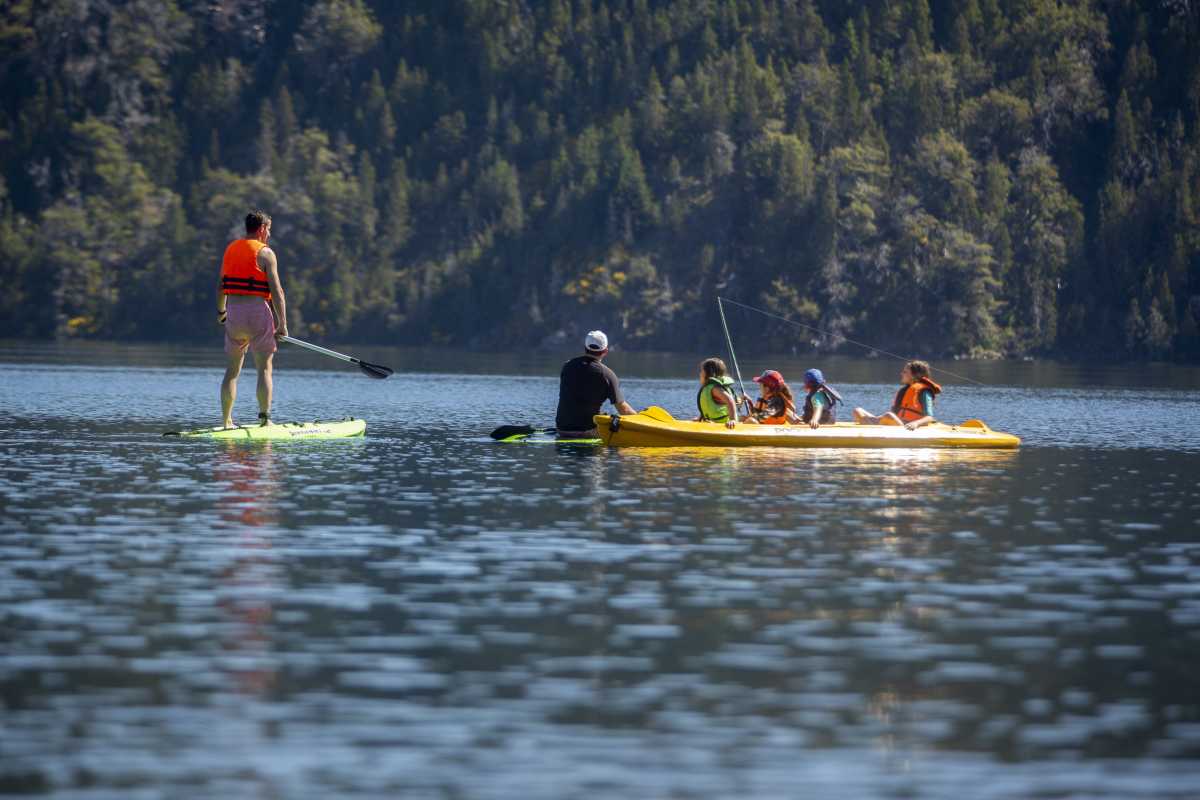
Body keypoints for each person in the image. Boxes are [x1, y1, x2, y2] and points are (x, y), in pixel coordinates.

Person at [218, 210, 288, 428]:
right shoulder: (266, 253)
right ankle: (265, 420)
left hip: (234, 313)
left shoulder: (230, 249)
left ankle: (227, 421)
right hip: (257, 313)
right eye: (269, 230)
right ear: (262, 228)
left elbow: (222, 285)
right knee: (264, 368)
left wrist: (221, 312)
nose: (269, 234)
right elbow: (277, 292)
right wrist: (282, 324)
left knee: (232, 370)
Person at [555, 330, 636, 438]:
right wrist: (642, 419)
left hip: (561, 429)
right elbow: (623, 410)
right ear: (605, 351)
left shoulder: (567, 366)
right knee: (615, 421)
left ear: (585, 347)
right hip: (588, 432)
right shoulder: (608, 375)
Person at [853, 360, 941, 430]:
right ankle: (871, 426)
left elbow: (929, 417)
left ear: (914, 375)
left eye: (905, 372)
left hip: (907, 427)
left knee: (888, 416)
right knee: (858, 411)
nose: (901, 374)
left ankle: (870, 427)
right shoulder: (904, 391)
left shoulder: (924, 392)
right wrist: (878, 418)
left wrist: (915, 423)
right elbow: (895, 413)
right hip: (897, 423)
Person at [693, 357, 739, 428]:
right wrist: (700, 418)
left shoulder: (715, 389)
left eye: (702, 371)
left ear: (708, 374)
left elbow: (730, 401)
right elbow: (707, 406)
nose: (700, 374)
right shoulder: (709, 388)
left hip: (724, 424)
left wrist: (733, 420)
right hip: (711, 421)